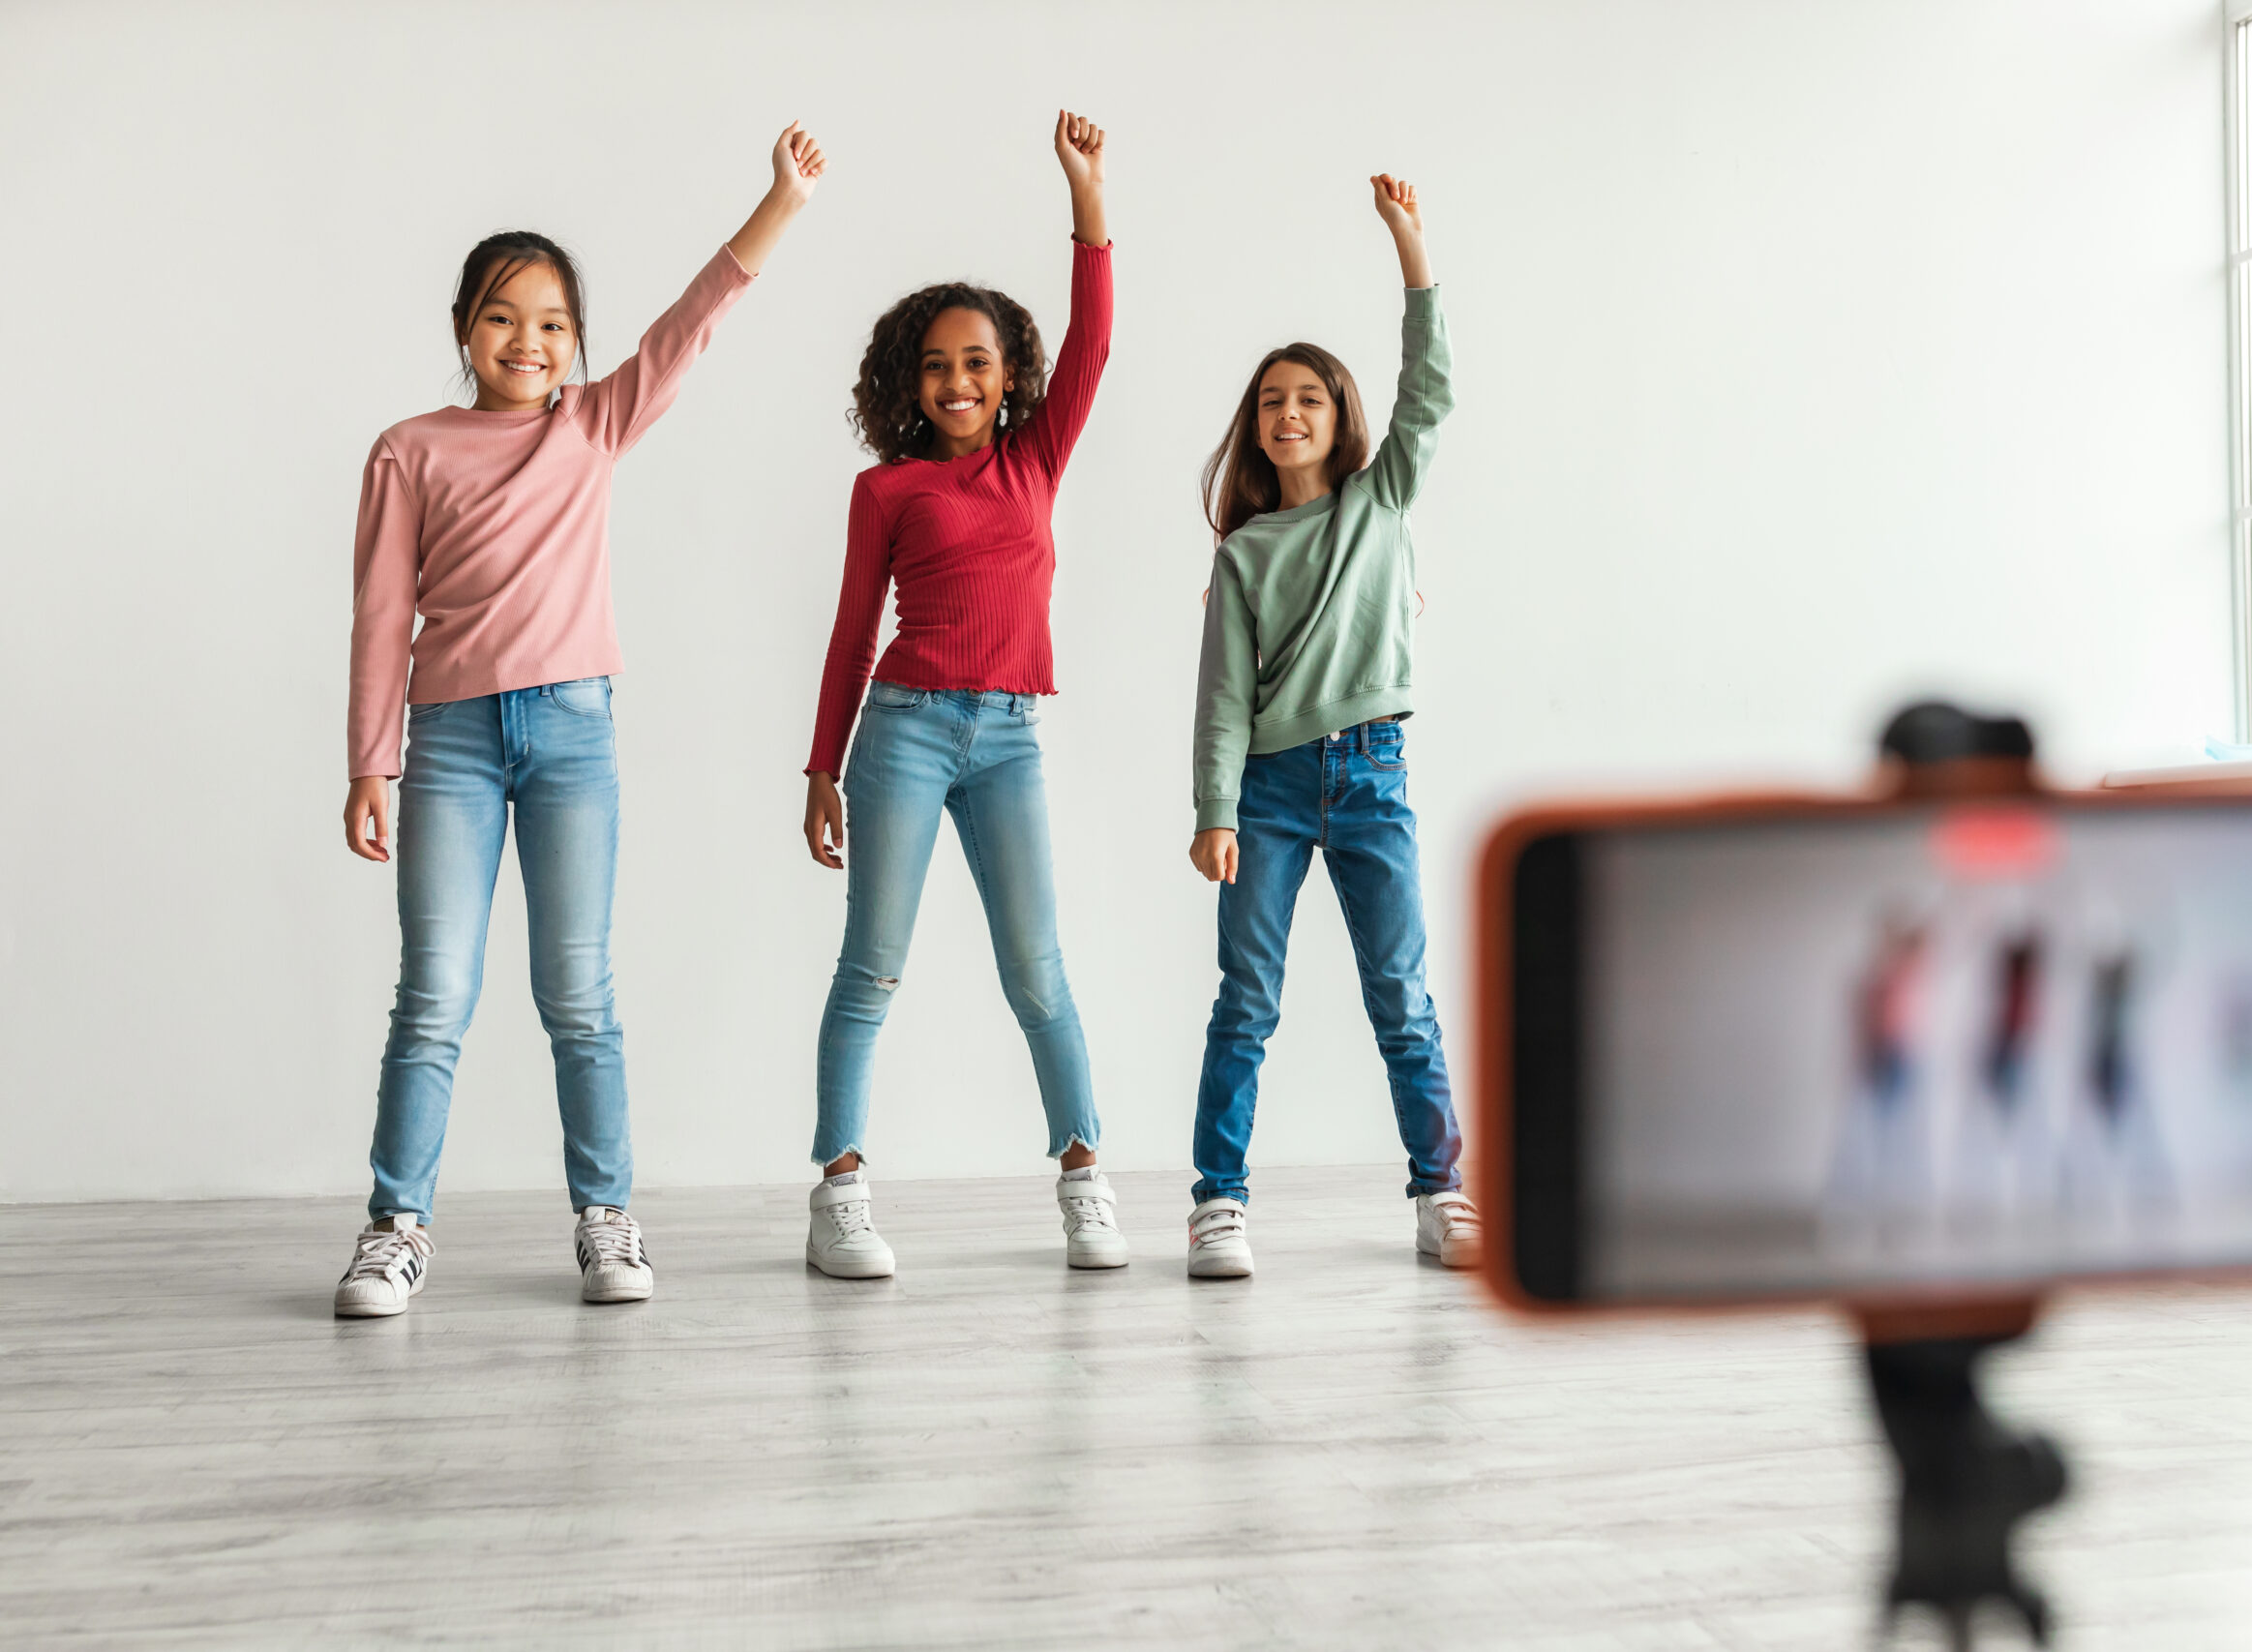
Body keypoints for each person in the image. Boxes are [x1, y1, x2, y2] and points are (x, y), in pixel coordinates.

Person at [334, 123, 827, 1318]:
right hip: (448, 739)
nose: (530, 341)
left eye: (553, 323)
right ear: (465, 330)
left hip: (573, 734)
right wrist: (368, 763)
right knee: (435, 993)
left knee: (578, 992)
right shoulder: (410, 449)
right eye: (505, 316)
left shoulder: (594, 426)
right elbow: (378, 615)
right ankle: (396, 1228)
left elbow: (691, 323)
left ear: (577, 347)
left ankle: (606, 1220)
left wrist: (781, 204)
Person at [799, 112, 1119, 1279]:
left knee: (1037, 970)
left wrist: (1085, 194)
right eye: (935, 364)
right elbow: (848, 636)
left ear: (1006, 375)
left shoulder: (1034, 459)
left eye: (976, 362)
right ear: (908, 379)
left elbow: (1092, 337)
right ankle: (839, 1191)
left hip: (1011, 739)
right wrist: (821, 768)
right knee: (871, 966)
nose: (956, 380)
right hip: (905, 733)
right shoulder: (885, 490)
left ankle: (1084, 1177)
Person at [1182, 173, 1479, 1278]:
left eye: (1307, 397)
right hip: (1263, 788)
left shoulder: (1381, 500)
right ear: (1255, 430)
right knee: (1246, 999)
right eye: (1271, 402)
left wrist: (1412, 250)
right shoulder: (1244, 552)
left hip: (1369, 774)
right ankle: (1218, 1200)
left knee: (1399, 994)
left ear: (1337, 415)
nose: (1290, 413)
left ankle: (1440, 1190)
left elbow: (1432, 389)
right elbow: (1220, 696)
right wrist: (1215, 811)